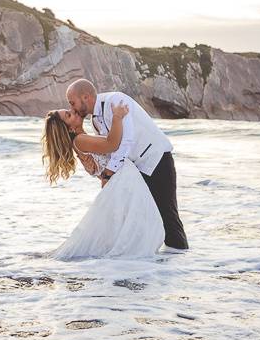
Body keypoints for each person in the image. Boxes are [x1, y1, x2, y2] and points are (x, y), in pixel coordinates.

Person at [66, 79, 189, 249]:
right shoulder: (95, 120)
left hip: (157, 159)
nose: (72, 108)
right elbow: (109, 148)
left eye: (73, 103)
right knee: (144, 219)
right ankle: (156, 267)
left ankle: (182, 265)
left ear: (85, 97)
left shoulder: (116, 101)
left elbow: (126, 140)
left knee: (168, 217)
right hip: (135, 170)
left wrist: (109, 173)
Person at [42, 103, 164, 259]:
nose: (73, 111)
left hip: (123, 181)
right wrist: (117, 117)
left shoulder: (82, 140)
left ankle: (136, 263)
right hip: (124, 181)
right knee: (144, 223)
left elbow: (100, 165)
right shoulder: (80, 140)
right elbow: (112, 144)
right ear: (69, 128)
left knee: (138, 224)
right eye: (68, 115)